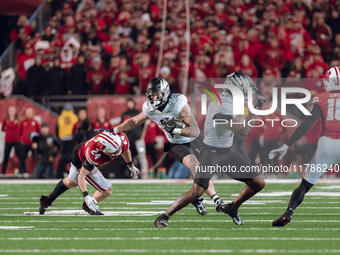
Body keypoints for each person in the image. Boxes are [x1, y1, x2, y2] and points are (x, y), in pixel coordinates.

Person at [98, 78, 223, 215]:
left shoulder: (177, 103)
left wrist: (175, 129)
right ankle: (216, 199)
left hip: (195, 139)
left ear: (166, 93)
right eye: (152, 96)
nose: (154, 99)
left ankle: (197, 198)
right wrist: (114, 130)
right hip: (176, 143)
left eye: (157, 95)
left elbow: (194, 130)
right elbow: (134, 120)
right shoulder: (150, 108)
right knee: (195, 165)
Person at [154, 73, 266, 227]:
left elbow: (242, 122)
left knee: (258, 182)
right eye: (244, 91)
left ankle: (233, 207)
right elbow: (244, 130)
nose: (246, 94)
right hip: (211, 153)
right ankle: (164, 216)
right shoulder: (223, 104)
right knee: (196, 192)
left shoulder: (230, 101)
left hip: (226, 151)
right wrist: (257, 108)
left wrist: (252, 109)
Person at [269, 66, 340, 226]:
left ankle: (289, 212)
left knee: (305, 185)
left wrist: (287, 144)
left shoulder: (321, 98)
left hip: (327, 144)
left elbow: (307, 124)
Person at [39, 131, 139, 215]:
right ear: (104, 150)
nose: (118, 153)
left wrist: (131, 165)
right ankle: (87, 205)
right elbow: (82, 176)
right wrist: (86, 196)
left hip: (80, 150)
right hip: (80, 160)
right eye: (113, 153)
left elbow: (125, 150)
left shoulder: (120, 138)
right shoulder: (93, 155)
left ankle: (47, 200)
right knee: (107, 189)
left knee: (71, 182)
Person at [55, 103, 78, 178]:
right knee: (71, 157)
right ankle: (71, 173)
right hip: (71, 139)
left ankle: (61, 173)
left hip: (63, 139)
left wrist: (59, 138)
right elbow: (76, 128)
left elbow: (57, 129)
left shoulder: (60, 117)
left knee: (63, 158)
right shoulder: (74, 117)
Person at [19, 107, 40, 178]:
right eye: (27, 112)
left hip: (33, 144)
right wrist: (22, 140)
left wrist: (36, 142)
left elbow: (38, 133)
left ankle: (37, 172)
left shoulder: (35, 122)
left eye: (30, 112)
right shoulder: (22, 122)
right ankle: (24, 172)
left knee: (36, 157)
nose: (29, 114)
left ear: (32, 113)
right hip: (25, 144)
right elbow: (20, 132)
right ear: (25, 113)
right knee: (22, 158)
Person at [1, 106, 21, 177]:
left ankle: (22, 171)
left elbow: (20, 130)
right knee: (6, 156)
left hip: (17, 141)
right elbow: (3, 129)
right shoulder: (5, 120)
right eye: (10, 111)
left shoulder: (18, 120)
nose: (12, 112)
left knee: (20, 156)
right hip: (8, 141)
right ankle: (3, 173)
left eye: (13, 110)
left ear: (16, 112)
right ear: (8, 112)